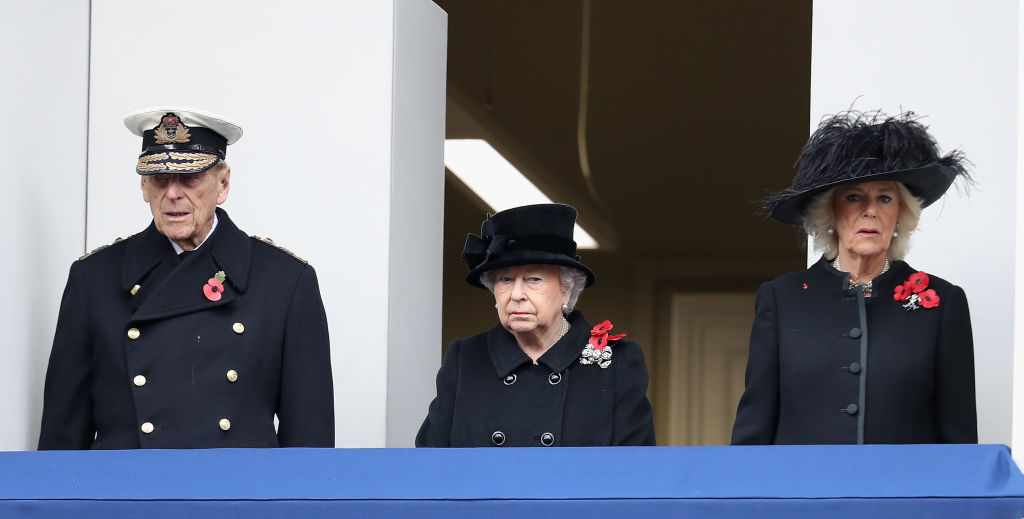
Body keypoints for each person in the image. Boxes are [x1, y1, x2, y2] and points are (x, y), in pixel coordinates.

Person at [38, 107, 334, 449]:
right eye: (160, 179)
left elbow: (310, 448)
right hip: (127, 483)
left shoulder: (285, 282)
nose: (173, 194)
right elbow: (61, 444)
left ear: (223, 184)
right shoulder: (94, 279)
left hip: (235, 483)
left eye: (189, 178)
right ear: (144, 187)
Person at [731, 110, 976, 445]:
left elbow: (960, 445)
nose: (870, 210)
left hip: (902, 481)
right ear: (830, 212)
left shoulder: (944, 302)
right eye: (854, 197)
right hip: (805, 481)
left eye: (885, 198)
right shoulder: (782, 298)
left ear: (900, 214)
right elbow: (753, 434)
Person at [416, 203, 655, 447]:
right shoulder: (465, 359)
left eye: (534, 279)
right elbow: (430, 461)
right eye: (505, 279)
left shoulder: (617, 363)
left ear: (567, 288)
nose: (516, 294)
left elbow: (635, 465)